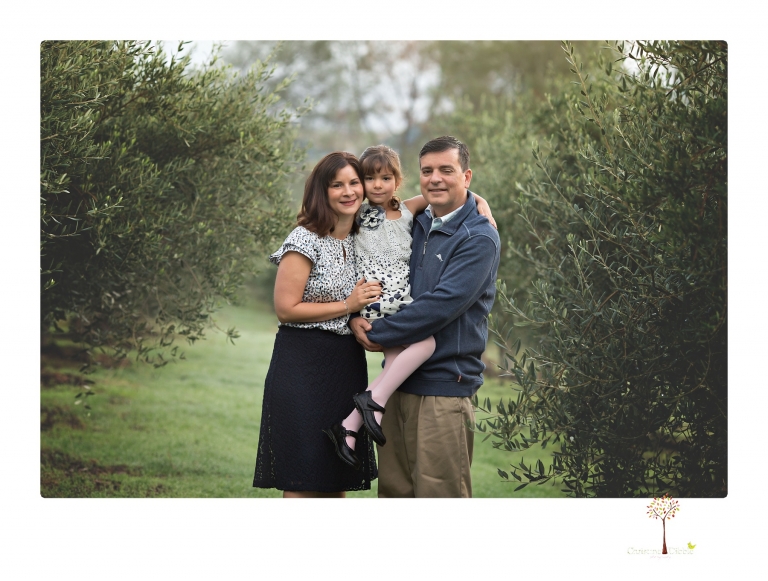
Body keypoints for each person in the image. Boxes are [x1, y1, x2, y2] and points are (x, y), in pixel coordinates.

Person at [324, 144, 496, 470]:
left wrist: (479, 201)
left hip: (443, 388)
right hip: (399, 378)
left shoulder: (474, 236)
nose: (435, 179)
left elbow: (441, 306)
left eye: (447, 170)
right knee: (395, 492)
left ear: (466, 176)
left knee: (438, 495)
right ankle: (359, 416)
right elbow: (338, 259)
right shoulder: (414, 219)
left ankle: (359, 414)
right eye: (428, 171)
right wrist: (352, 318)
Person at [252, 151, 382, 498]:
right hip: (301, 365)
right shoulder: (304, 238)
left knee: (335, 477)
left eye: (354, 182)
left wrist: (476, 200)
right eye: (336, 184)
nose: (348, 191)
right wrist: (348, 306)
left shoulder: (363, 237)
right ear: (321, 192)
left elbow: (415, 204)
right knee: (302, 478)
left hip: (345, 366)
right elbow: (286, 308)